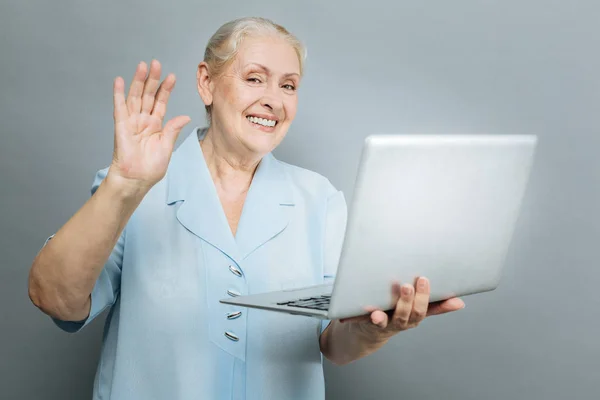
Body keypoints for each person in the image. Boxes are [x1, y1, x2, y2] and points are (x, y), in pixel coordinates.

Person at [28, 17, 465, 400]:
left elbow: (335, 344)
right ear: (206, 82)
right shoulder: (130, 188)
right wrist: (123, 184)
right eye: (255, 78)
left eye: (288, 85)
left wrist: (376, 329)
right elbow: (55, 298)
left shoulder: (320, 199)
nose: (274, 100)